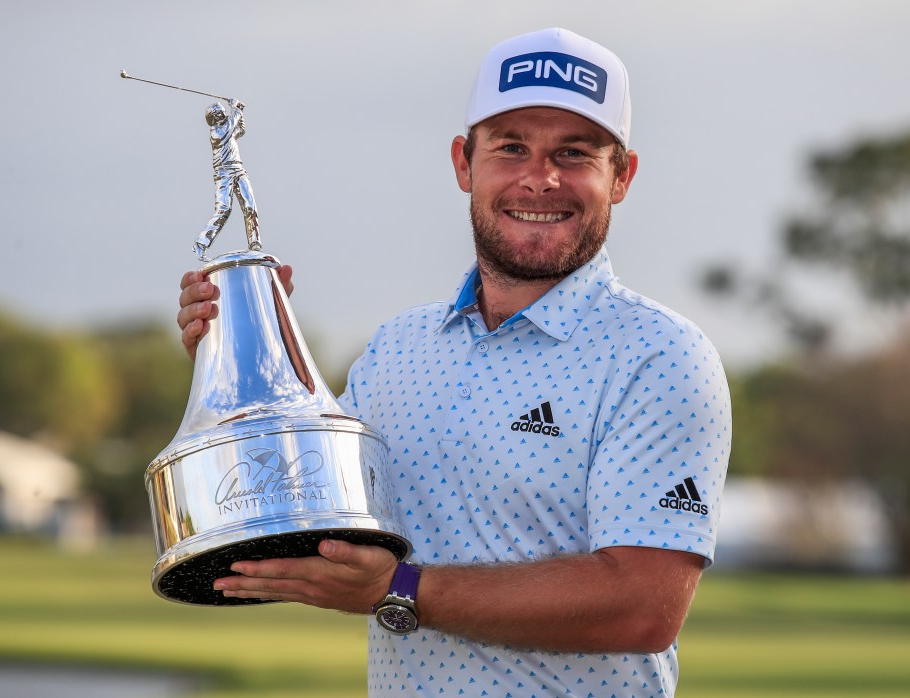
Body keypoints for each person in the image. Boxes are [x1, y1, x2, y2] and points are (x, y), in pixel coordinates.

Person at [178, 28, 731, 698]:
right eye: (510, 148)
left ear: (622, 177)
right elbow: (307, 508)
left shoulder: (660, 356)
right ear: (463, 163)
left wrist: (401, 590)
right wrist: (243, 359)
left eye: (574, 153)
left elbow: (643, 605)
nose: (540, 178)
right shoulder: (395, 350)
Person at [193, 98, 261, 260]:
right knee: (224, 210)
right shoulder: (217, 133)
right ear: (213, 118)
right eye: (219, 113)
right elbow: (232, 124)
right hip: (223, 174)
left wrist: (240, 112)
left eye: (223, 112)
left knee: (250, 206)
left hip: (238, 170)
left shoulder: (228, 131)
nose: (222, 114)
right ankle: (201, 243)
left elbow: (240, 129)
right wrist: (236, 108)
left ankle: (255, 243)